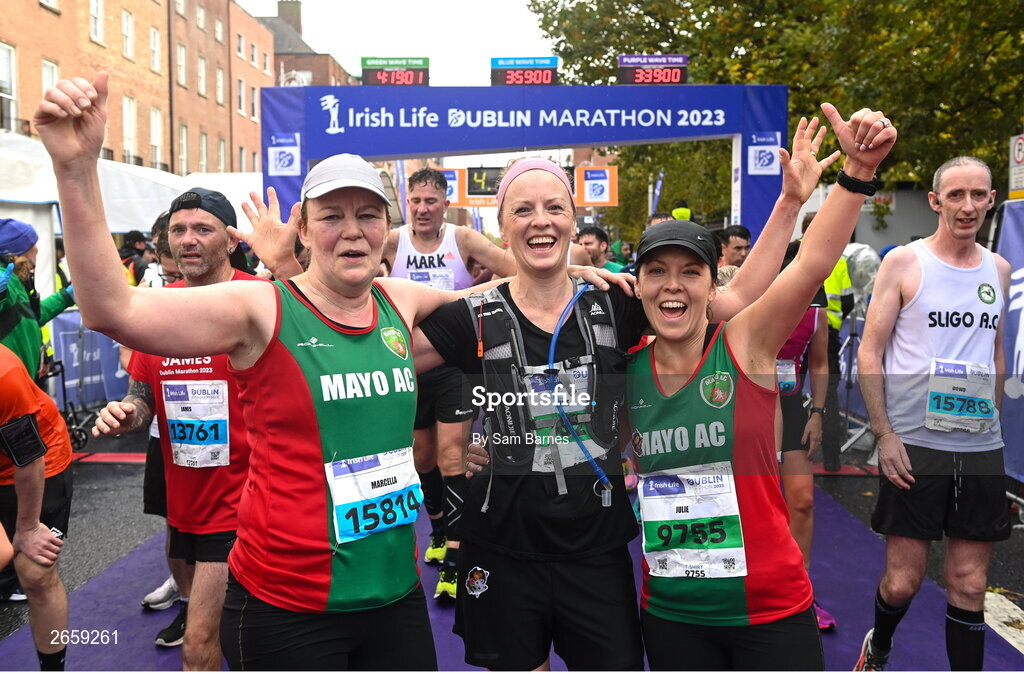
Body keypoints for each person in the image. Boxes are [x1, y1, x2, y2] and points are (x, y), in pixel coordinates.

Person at [34, 72, 617, 670]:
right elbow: (113, 309)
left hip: (394, 596)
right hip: (289, 605)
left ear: (383, 230)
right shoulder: (261, 307)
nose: (352, 229)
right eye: (331, 215)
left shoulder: (399, 300)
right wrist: (77, 171)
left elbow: (508, 293)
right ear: (304, 230)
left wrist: (577, 276)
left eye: (367, 215)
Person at [412, 114, 839, 670]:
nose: (540, 221)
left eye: (554, 208)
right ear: (502, 223)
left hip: (596, 551)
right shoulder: (473, 314)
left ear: (573, 218)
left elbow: (730, 301)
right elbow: (383, 347)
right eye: (523, 209)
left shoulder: (616, 301)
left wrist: (788, 206)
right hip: (503, 546)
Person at [626, 105, 894, 670]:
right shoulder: (624, 368)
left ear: (712, 283)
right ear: (638, 283)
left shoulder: (744, 344)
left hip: (769, 607)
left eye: (690, 272)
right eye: (657, 272)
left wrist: (857, 173)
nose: (673, 287)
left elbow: (812, 263)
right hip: (673, 611)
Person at [854, 156, 1010, 671]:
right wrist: (884, 434)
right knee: (903, 582)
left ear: (991, 200)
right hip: (914, 444)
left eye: (979, 195)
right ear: (935, 200)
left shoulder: (999, 270)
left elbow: (996, 351)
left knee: (970, 583)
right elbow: (869, 352)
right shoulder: (904, 262)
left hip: (978, 444)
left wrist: (994, 418)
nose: (968, 206)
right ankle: (880, 645)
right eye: (957, 195)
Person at [92, 187, 259, 669]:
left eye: (202, 229)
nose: (187, 240)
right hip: (186, 502)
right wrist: (126, 411)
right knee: (235, 640)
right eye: (178, 230)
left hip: (246, 503)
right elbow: (142, 394)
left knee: (199, 646)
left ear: (230, 240)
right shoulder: (157, 309)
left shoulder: (262, 299)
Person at [386, 168, 489, 601]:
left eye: (431, 201)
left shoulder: (462, 239)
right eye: (416, 201)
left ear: (445, 203)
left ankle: (454, 561)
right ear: (407, 202)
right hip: (407, 365)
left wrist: (482, 287)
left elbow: (515, 266)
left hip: (453, 365)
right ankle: (440, 528)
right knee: (422, 458)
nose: (423, 209)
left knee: (452, 455)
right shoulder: (392, 241)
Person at [0, 342, 73, 671]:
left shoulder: (4, 375)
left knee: (34, 572)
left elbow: (29, 458)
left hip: (37, 461)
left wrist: (27, 528)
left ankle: (53, 668)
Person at [774, 240, 835, 631]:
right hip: (749, 408)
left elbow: (820, 361)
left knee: (802, 502)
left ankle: (801, 593)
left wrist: (818, 413)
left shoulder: (817, 300)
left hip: (794, 408)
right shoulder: (763, 289)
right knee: (751, 504)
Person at [0, 219, 76, 379]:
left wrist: (66, 296)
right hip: (9, 384)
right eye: (32, 251)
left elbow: (32, 316)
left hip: (23, 379)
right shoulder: (6, 279)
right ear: (16, 253)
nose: (35, 261)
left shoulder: (17, 280)